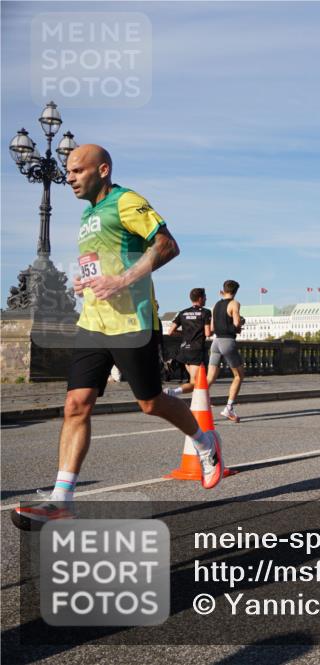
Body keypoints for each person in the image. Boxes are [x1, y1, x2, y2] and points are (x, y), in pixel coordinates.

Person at [11, 145, 223, 529]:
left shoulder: (127, 202)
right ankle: (62, 499)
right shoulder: (88, 214)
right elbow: (104, 263)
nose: (69, 178)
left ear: (102, 169)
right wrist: (86, 283)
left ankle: (205, 441)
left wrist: (121, 280)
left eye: (77, 170)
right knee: (76, 403)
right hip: (94, 322)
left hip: (133, 323)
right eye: (67, 171)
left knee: (150, 402)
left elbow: (168, 246)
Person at [206, 280, 245, 422]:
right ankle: (228, 408)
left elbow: (211, 329)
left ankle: (197, 404)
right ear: (235, 291)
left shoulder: (215, 305)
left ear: (223, 289)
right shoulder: (234, 303)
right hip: (227, 341)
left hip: (215, 342)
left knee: (209, 378)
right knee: (239, 376)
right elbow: (236, 324)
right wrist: (240, 324)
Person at [165, 287, 212, 395]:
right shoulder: (206, 312)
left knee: (194, 381)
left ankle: (197, 404)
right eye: (205, 297)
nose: (206, 299)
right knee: (197, 383)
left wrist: (184, 334)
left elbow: (170, 331)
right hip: (196, 350)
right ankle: (173, 392)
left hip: (184, 350)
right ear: (200, 298)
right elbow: (207, 333)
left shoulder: (183, 313)